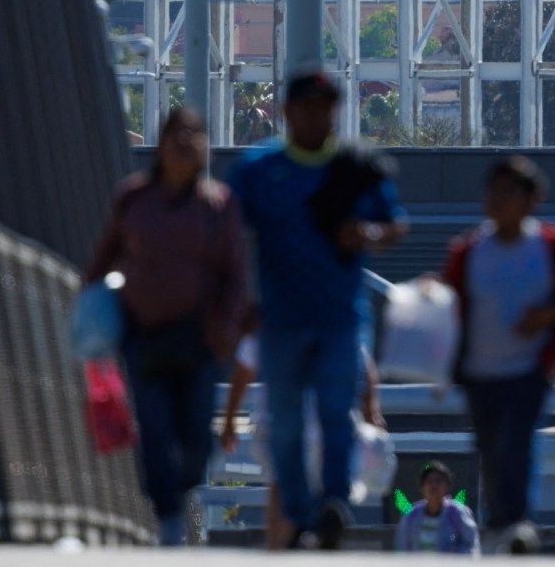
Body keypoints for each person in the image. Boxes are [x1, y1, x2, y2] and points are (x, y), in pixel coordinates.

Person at [227, 68, 406, 550]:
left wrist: (369, 234)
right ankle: (302, 515)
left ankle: (332, 504)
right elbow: (229, 235)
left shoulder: (356, 166)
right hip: (279, 319)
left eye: (326, 108)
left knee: (334, 413)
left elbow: (395, 224)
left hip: (339, 318)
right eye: (306, 107)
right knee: (283, 422)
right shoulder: (258, 169)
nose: (317, 117)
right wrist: (240, 299)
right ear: (286, 112)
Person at [84, 107, 248, 546]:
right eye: (177, 135)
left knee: (196, 437)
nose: (185, 143)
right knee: (153, 429)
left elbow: (235, 274)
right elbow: (103, 258)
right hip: (144, 336)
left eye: (195, 135)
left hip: (198, 340)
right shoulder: (133, 199)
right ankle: (168, 516)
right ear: (160, 144)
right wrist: (92, 308)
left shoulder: (218, 205)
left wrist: (227, 329)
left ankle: (183, 490)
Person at [441, 156, 555, 553]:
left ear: (533, 199)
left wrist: (548, 314)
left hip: (530, 367)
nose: (497, 200)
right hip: (479, 371)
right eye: (492, 191)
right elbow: (451, 300)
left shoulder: (551, 245)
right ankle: (500, 520)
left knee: (517, 442)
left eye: (509, 192)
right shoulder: (468, 251)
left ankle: (516, 522)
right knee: (490, 449)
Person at [218, 317, 386, 550]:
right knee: (323, 493)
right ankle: (315, 540)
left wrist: (229, 420)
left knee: (281, 488)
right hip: (327, 423)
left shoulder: (272, 313)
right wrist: (371, 410)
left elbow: (244, 368)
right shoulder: (334, 313)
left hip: (283, 418)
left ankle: (281, 550)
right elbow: (363, 366)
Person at [394, 461, 481, 554]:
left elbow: (471, 547)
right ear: (422, 487)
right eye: (429, 481)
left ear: (447, 486)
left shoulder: (458, 513)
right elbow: (401, 549)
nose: (433, 485)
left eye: (438, 481)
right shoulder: (411, 515)